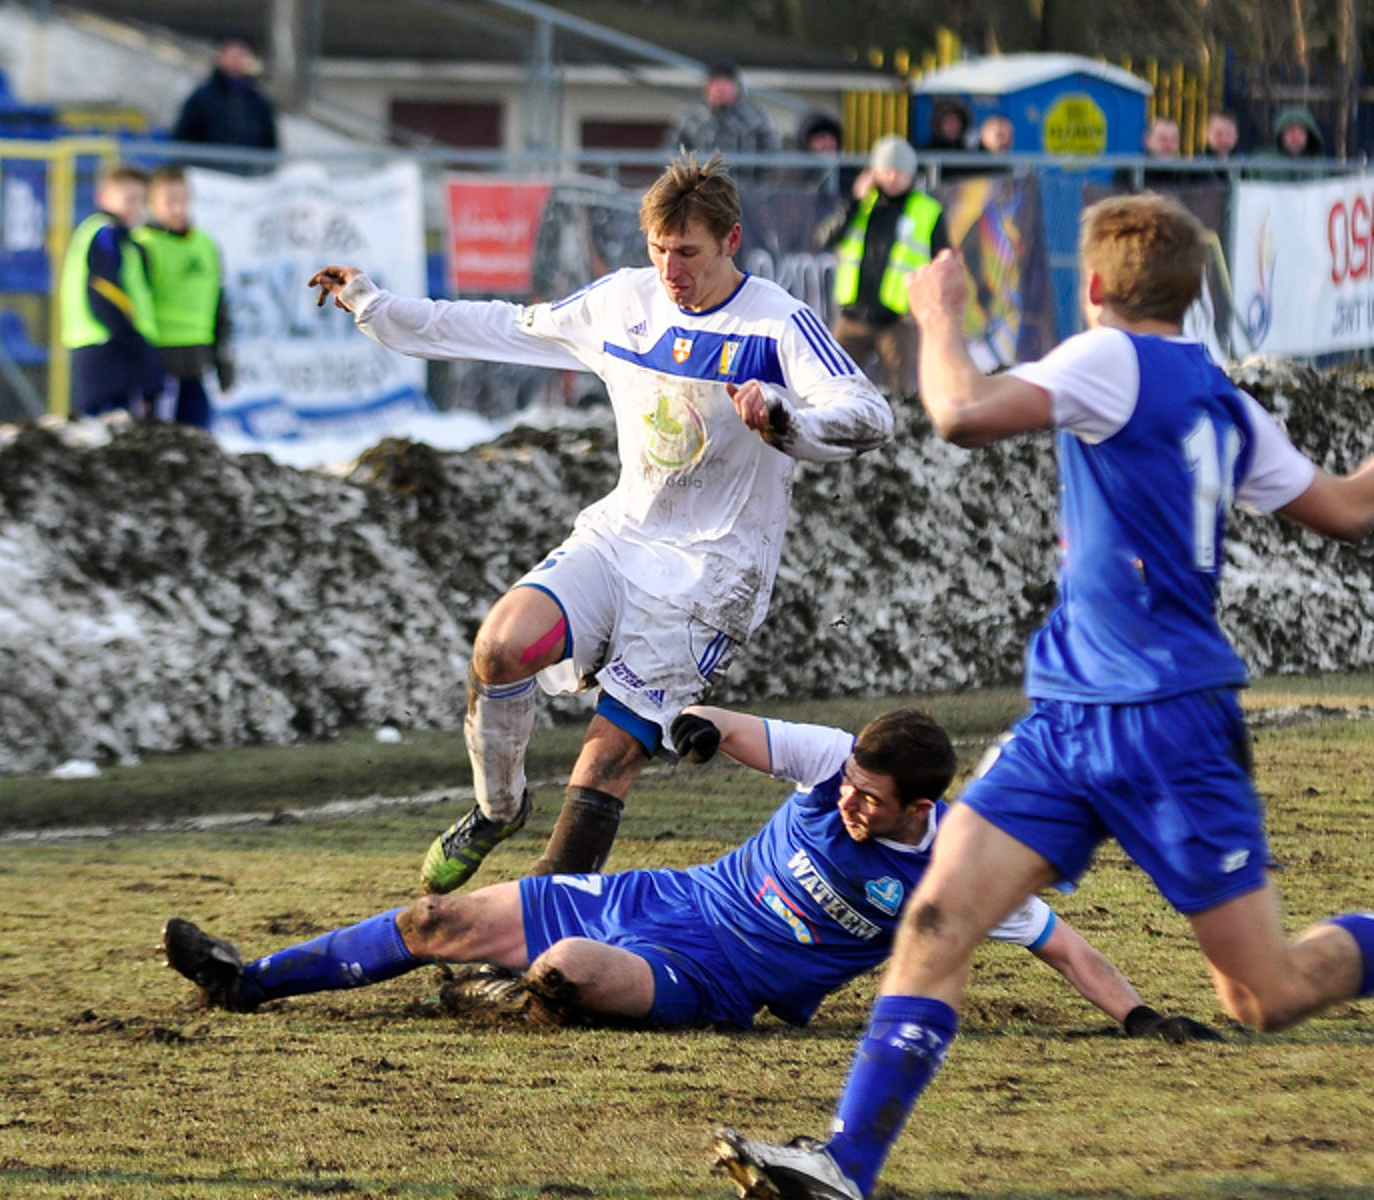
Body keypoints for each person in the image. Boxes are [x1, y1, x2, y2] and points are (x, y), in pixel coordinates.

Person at [713, 192, 1374, 1200]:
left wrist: (938, 310)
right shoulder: (1220, 394)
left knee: (1259, 995)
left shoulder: (1110, 358)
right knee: (935, 920)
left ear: (1097, 287)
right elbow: (1348, 509)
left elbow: (961, 412)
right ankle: (846, 1164)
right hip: (1068, 723)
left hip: (1167, 722)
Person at [307, 154, 892, 896]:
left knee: (607, 757)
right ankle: (497, 809)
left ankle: (536, 929)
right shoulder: (624, 302)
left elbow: (870, 414)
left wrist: (788, 422)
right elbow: (506, 326)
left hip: (713, 576)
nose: (671, 270)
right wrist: (375, 306)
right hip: (620, 539)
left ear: (731, 241)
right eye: (658, 250)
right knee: (501, 645)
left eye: (688, 253)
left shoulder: (776, 321)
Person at [162, 705, 1218, 1043]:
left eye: (869, 799)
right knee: (432, 917)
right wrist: (703, 730)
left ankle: (512, 999)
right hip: (662, 897)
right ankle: (247, 978)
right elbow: (746, 731)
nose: (849, 800)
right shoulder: (832, 764)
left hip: (716, 985)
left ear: (919, 807)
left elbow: (1061, 941)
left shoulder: (955, 866)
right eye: (848, 782)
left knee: (569, 970)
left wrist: (1138, 1019)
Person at [819, 135, 951, 393]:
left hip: (898, 320)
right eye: (886, 170)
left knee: (898, 393)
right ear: (873, 171)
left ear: (911, 174)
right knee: (833, 387)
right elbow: (826, 239)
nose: (892, 177)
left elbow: (941, 263)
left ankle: (894, 434)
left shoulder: (927, 210)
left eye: (899, 172)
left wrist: (924, 306)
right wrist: (854, 202)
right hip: (853, 316)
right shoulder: (860, 204)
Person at [58, 165, 163, 419]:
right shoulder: (107, 233)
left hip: (104, 342)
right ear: (103, 197)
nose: (134, 207)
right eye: (128, 199)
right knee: (113, 430)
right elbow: (104, 289)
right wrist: (130, 337)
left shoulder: (115, 236)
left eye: (140, 200)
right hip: (108, 344)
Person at [134, 165, 234, 429]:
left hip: (196, 360)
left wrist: (222, 361)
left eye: (183, 200)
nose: (178, 209)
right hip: (158, 361)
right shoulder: (142, 245)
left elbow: (219, 305)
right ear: (152, 204)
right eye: (169, 202)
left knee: (198, 441)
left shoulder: (206, 245)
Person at [171, 36, 279, 170]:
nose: (236, 61)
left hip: (249, 179)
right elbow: (183, 137)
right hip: (210, 175)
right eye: (232, 55)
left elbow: (270, 142)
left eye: (241, 55)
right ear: (221, 58)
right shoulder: (201, 98)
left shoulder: (258, 101)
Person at [664, 63, 781, 181]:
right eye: (716, 85)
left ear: (736, 87)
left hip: (744, 189)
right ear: (708, 88)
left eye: (726, 85)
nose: (720, 90)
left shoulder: (754, 117)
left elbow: (772, 151)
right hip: (700, 189)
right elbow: (672, 150)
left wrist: (758, 184)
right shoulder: (692, 118)